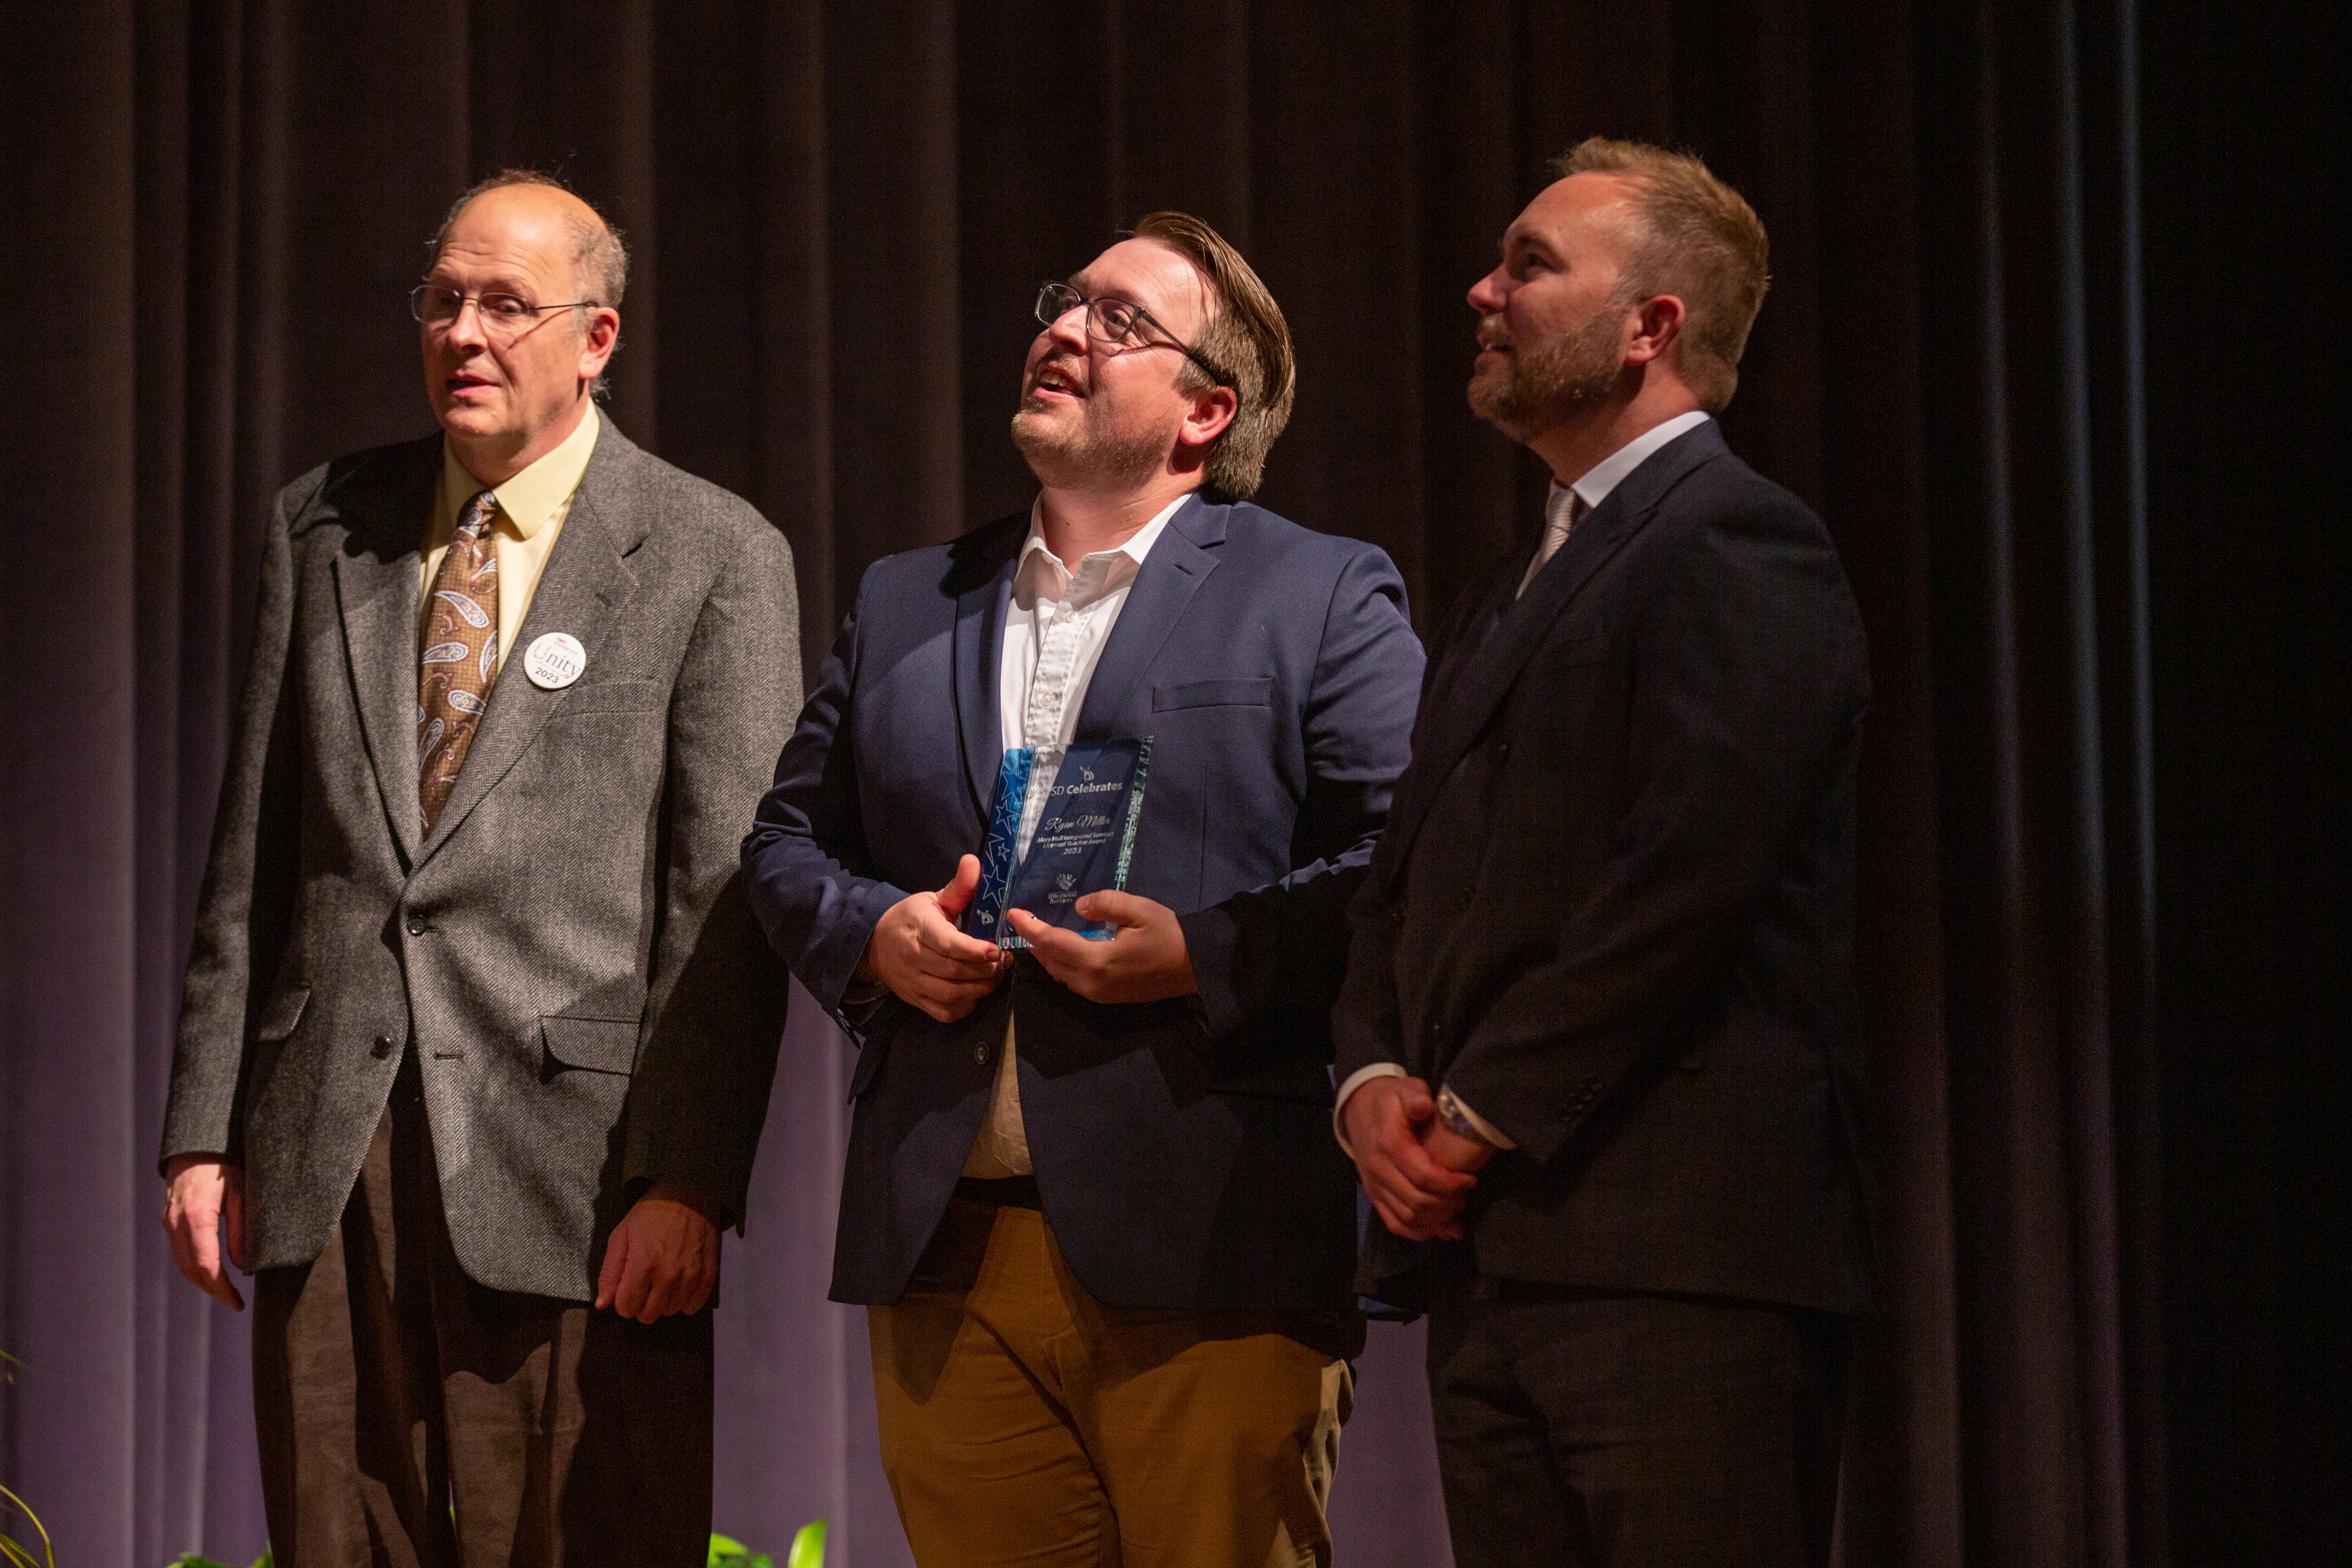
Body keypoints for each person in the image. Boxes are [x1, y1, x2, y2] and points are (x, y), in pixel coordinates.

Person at [742, 211, 1424, 1568]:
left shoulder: (1319, 591)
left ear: (1205, 410)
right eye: (1065, 302)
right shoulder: (908, 598)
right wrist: (878, 933)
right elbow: (782, 845)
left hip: (1207, 1238)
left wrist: (1207, 953)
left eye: (1120, 322)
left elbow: (1408, 865)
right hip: (947, 1248)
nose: (1061, 330)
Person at [158, 171, 800, 1566]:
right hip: (330, 1145)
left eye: (506, 305)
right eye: (443, 301)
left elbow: (727, 908)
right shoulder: (326, 522)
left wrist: (685, 1177)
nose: (464, 332)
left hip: (578, 1173)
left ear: (597, 338)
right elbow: (254, 849)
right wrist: (204, 1128)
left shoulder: (712, 553)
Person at [1333, 138, 1874, 1568]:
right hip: (1493, 1259)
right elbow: (1407, 871)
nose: (1481, 290)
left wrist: (1483, 1106)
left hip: (1678, 1263)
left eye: (1530, 264)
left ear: (1652, 327)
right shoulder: (1513, 580)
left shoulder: (1744, 541)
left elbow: (1689, 877)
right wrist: (1373, 1078)